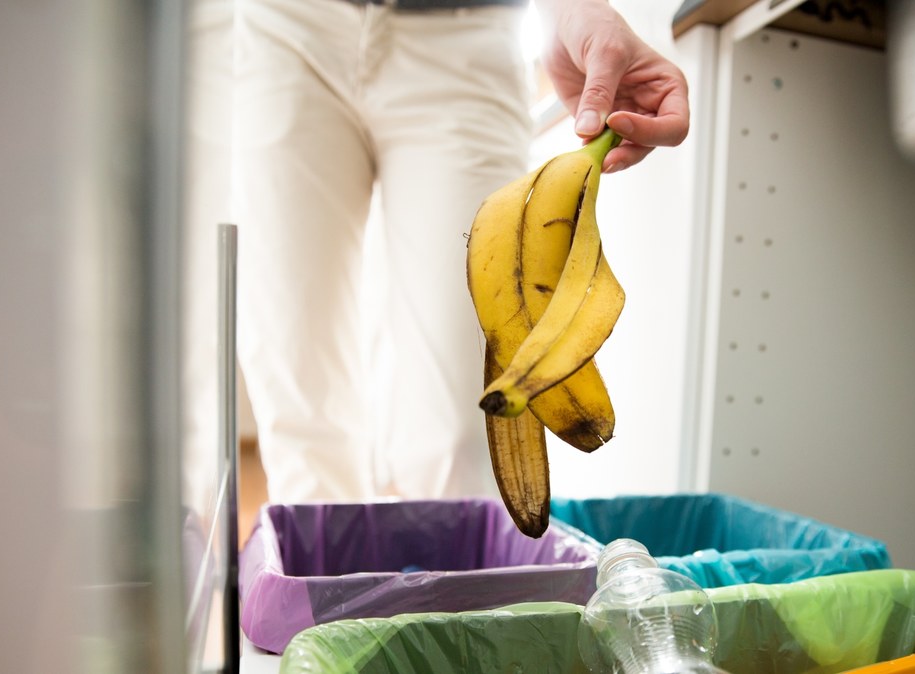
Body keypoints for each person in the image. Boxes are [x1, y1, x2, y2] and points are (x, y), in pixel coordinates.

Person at [183, 0, 689, 506]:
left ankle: (458, 582)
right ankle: (326, 581)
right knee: (297, 379)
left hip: (463, 38)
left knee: (464, 421)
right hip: (286, 28)